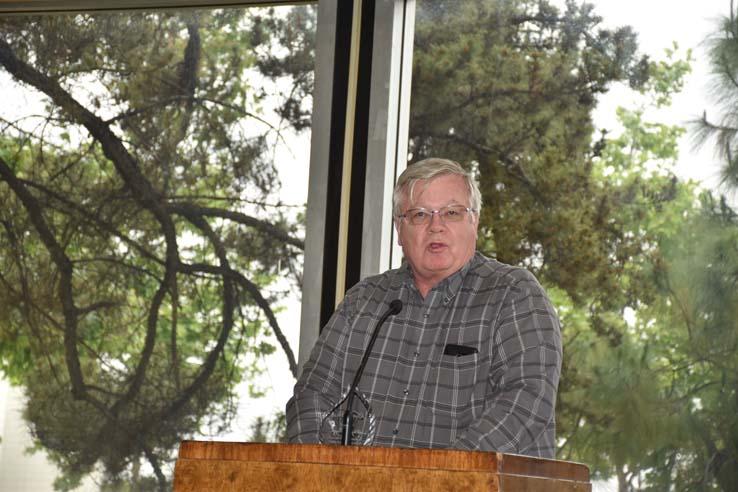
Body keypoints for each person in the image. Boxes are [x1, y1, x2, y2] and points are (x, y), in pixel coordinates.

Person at [286, 157, 562, 458]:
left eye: (452, 212)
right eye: (419, 215)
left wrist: (443, 477)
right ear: (399, 229)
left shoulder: (514, 294)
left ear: (475, 221)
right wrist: (316, 471)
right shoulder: (363, 300)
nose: (436, 227)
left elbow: (527, 401)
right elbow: (312, 396)